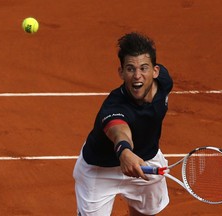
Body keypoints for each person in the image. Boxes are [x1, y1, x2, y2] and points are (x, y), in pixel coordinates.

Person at [73, 32, 173, 216]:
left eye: (144, 68)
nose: (137, 76)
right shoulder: (113, 106)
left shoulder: (164, 82)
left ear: (156, 71)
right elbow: (119, 130)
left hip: (146, 161)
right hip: (101, 170)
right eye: (130, 69)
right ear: (121, 72)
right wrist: (124, 151)